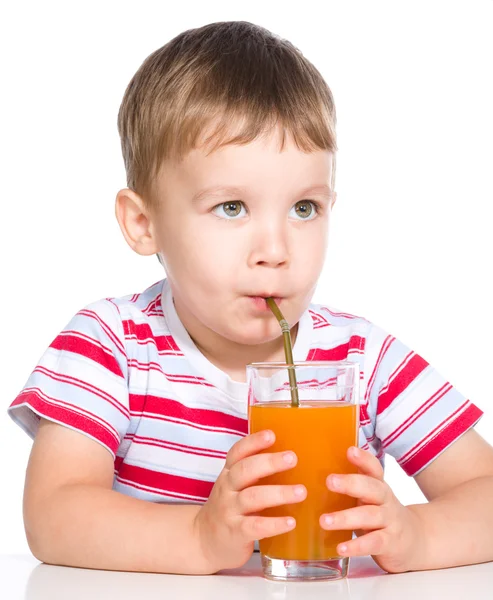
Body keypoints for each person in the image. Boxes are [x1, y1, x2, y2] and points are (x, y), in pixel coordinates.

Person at [8, 21, 493, 576]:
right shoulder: (111, 346)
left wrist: (419, 534)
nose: (276, 250)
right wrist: (197, 536)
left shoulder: (364, 359)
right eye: (232, 208)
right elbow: (53, 513)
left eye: (304, 208)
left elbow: (486, 491)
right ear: (144, 224)